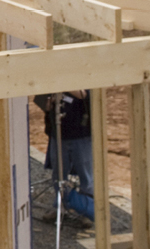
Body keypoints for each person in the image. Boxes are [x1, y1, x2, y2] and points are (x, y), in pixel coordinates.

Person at [34, 90, 96, 221]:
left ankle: (87, 212)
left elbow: (87, 96)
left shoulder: (84, 74)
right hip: (59, 135)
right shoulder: (52, 79)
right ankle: (60, 208)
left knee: (86, 176)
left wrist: (64, 86)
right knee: (59, 175)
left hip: (81, 135)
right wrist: (50, 102)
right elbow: (43, 102)